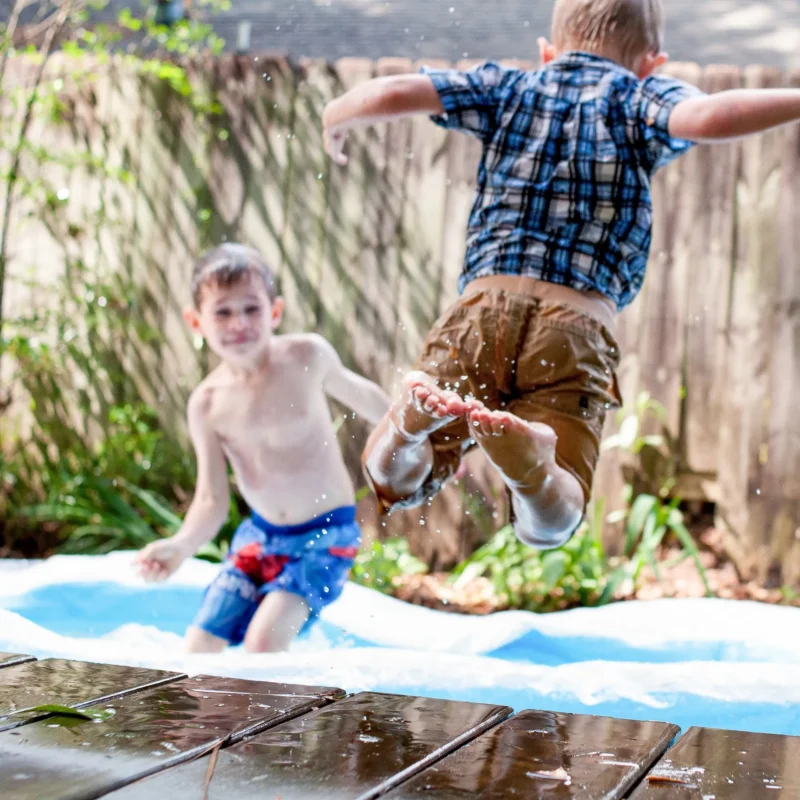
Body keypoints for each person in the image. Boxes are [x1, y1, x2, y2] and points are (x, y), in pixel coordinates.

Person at [322, 0, 800, 551]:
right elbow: (709, 117)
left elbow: (390, 92)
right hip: (574, 326)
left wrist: (338, 115)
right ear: (652, 62)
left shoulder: (509, 86)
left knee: (392, 480)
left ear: (547, 52)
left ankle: (406, 429)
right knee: (554, 519)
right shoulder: (640, 95)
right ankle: (535, 473)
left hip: (480, 309)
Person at [135, 244, 391, 653]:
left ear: (274, 311)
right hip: (260, 538)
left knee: (262, 644)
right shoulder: (206, 404)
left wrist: (424, 441)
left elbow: (370, 401)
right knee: (198, 647)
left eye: (251, 309)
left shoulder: (306, 357)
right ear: (195, 321)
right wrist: (180, 546)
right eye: (222, 312)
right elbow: (211, 499)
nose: (239, 323)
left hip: (326, 534)